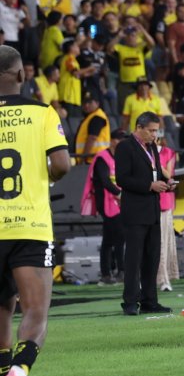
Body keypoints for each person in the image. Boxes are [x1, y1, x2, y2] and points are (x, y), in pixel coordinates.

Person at [0, 45, 71, 376]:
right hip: (29, 225)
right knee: (35, 312)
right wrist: (50, 175)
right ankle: (20, 367)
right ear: (21, 74)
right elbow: (61, 164)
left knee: (2, 308)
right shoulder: (42, 112)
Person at [114, 112, 173, 316]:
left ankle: (150, 300)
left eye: (157, 131)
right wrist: (149, 185)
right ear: (139, 127)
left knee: (152, 258)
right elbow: (122, 179)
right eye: (151, 130)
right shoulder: (125, 147)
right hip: (135, 211)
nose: (154, 135)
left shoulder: (151, 148)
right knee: (133, 259)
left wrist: (166, 184)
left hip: (153, 210)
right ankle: (130, 301)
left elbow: (155, 172)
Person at [80, 93, 123, 285]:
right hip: (107, 202)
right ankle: (119, 272)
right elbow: (105, 181)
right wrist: (120, 193)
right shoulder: (102, 158)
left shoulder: (120, 157)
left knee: (109, 239)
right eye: (120, 140)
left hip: (118, 202)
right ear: (113, 141)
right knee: (117, 238)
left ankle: (107, 274)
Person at [156, 141, 179, 292]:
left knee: (163, 242)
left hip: (163, 202)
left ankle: (164, 279)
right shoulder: (139, 152)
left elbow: (169, 176)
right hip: (145, 203)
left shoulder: (167, 153)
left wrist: (154, 160)